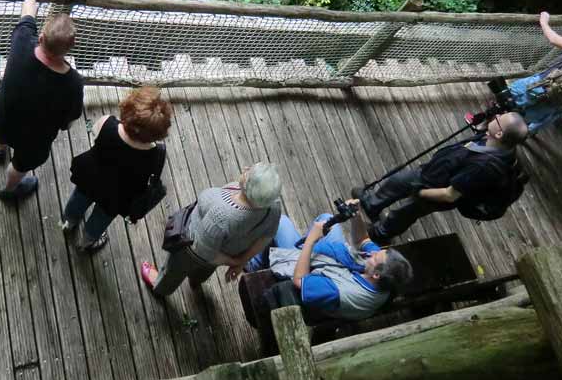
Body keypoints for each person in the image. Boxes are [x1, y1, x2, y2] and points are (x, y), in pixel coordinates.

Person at [352, 112, 529, 245]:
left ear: (499, 134)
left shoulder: (485, 167)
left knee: (406, 212)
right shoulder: (494, 139)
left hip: (437, 191)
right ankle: (372, 204)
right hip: (431, 174)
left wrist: (421, 192)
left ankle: (380, 234)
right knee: (397, 182)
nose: (496, 115)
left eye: (499, 119)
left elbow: (450, 195)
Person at [0, 0, 83, 201]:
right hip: (34, 140)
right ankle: (10, 190)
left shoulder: (22, 43)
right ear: (70, 48)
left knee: (1, 135)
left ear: (41, 38)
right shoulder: (73, 83)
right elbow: (68, 121)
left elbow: (27, 14)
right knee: (20, 166)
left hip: (2, 119)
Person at [244, 206, 413, 321]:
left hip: (309, 271)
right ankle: (302, 243)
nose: (374, 252)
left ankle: (255, 265)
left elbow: (299, 280)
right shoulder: (382, 280)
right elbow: (363, 240)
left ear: (376, 274)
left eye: (376, 256)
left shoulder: (338, 292)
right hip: (334, 265)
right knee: (327, 219)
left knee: (281, 222)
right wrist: (357, 216)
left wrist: (311, 241)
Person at [140, 163, 283, 297]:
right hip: (219, 254)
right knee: (204, 270)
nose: (245, 168)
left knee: (173, 272)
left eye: (248, 172)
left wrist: (235, 262)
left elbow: (201, 249)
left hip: (191, 249)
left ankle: (160, 288)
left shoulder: (221, 215)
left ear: (247, 185)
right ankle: (195, 282)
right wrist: (241, 261)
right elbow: (267, 236)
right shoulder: (273, 207)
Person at [62, 86, 172, 252]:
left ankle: (68, 222)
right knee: (101, 218)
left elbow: (95, 133)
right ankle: (86, 241)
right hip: (117, 196)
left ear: (127, 110)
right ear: (158, 133)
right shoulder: (156, 155)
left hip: (91, 178)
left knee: (78, 199)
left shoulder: (107, 123)